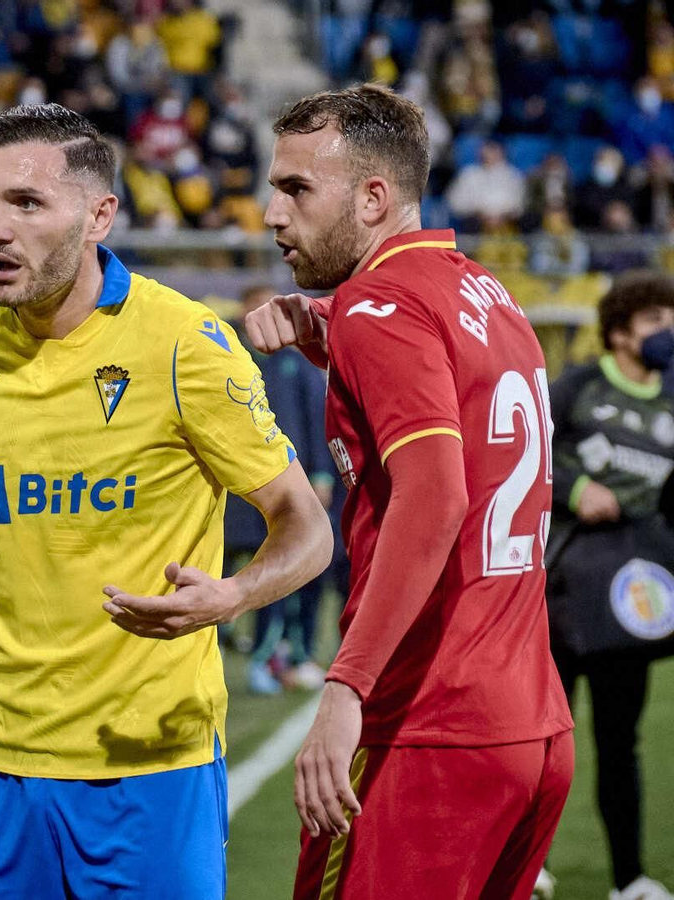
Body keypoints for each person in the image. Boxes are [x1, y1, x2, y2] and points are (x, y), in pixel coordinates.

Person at [0, 104, 334, 897]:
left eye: (26, 202)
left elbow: (306, 525)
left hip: (149, 765)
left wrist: (233, 595)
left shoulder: (183, 343)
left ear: (98, 216)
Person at [245, 83, 575, 899]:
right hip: (530, 728)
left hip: (426, 725)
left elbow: (434, 499)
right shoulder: (484, 293)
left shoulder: (378, 304)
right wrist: (333, 338)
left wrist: (345, 687)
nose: (272, 214)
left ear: (372, 198)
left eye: (296, 188)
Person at [545, 272, 674, 900]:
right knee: (543, 740)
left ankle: (630, 880)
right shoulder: (578, 386)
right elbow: (520, 451)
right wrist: (574, 488)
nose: (667, 332)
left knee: (620, 742)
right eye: (654, 321)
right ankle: (527, 866)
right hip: (560, 591)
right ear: (619, 332)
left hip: (631, 600)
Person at [228, 284, 338, 694]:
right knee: (256, 571)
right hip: (244, 492)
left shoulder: (296, 362)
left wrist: (322, 474)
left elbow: (317, 418)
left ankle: (289, 656)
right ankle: (262, 655)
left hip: (294, 487)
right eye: (255, 305)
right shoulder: (228, 356)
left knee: (298, 572)